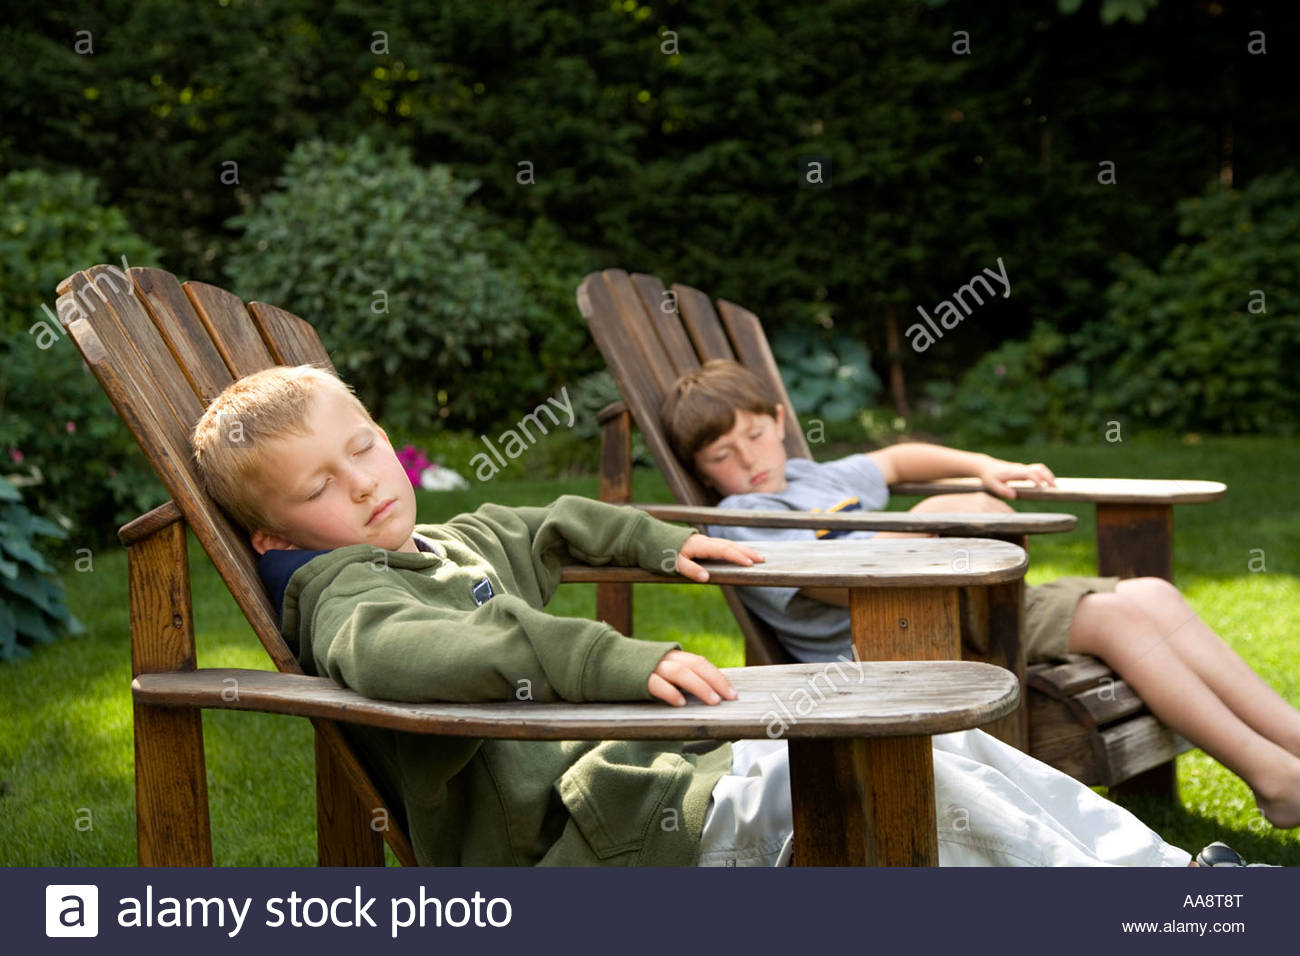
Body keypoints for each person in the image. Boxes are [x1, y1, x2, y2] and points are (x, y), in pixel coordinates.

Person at [191, 364, 1227, 867]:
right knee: (899, 768)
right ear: (277, 538)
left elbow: (547, 519)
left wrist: (656, 543)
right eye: (318, 486)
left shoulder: (441, 541)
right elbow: (419, 654)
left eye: (363, 445)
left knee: (942, 741)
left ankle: (1172, 883)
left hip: (655, 785)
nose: (363, 485)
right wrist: (605, 656)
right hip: (591, 841)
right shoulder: (346, 592)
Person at [661, 359, 1300, 831]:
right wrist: (925, 522)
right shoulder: (745, 515)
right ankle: (1274, 779)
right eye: (721, 454)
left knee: (1153, 594)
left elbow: (900, 459)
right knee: (1116, 618)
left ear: (779, 421)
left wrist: (981, 467)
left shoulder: (813, 475)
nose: (748, 460)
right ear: (701, 471)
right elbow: (829, 587)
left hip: (956, 604)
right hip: (901, 640)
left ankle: (1290, 746)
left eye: (754, 434)